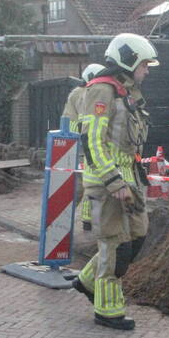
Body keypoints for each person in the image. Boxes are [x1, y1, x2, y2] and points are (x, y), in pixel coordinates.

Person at [73, 34, 156, 331]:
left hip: (129, 177)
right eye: (145, 65)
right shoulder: (102, 91)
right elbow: (93, 141)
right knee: (115, 245)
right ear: (129, 60)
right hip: (108, 182)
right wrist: (113, 182)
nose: (147, 70)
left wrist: (128, 180)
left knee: (137, 236)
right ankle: (107, 310)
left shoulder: (127, 92)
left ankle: (85, 280)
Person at [62, 63, 103, 231]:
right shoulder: (83, 94)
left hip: (73, 144)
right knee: (84, 186)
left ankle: (83, 221)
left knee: (85, 185)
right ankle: (80, 221)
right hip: (79, 145)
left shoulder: (77, 93)